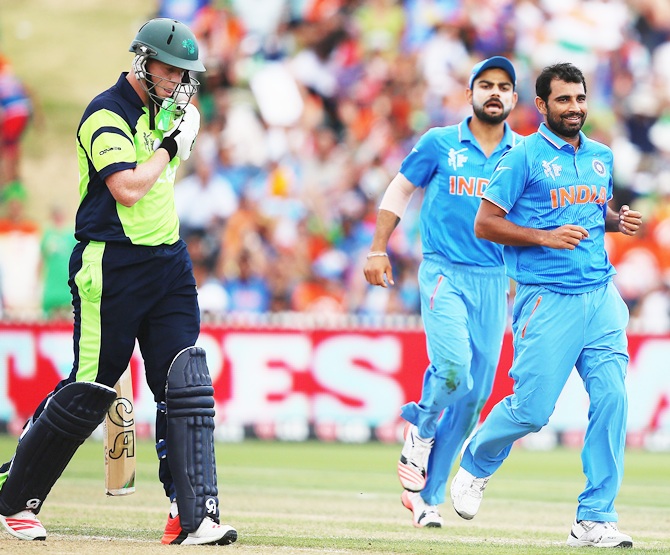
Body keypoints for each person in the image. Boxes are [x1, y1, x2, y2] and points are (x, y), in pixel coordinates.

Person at [0, 18, 237, 546]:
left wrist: (176, 134)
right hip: (111, 265)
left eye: (185, 73)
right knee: (90, 388)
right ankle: (15, 500)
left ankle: (193, 514)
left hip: (168, 264)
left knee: (185, 383)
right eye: (169, 70)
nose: (178, 81)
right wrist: (170, 147)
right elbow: (128, 189)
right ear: (142, 62)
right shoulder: (104, 114)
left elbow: (165, 159)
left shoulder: (177, 113)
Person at [450, 62, 642, 549]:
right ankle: (477, 461)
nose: (574, 108)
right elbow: (486, 224)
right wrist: (544, 237)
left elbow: (588, 210)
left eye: (579, 99)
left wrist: (615, 221)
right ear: (541, 105)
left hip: (600, 295)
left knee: (614, 400)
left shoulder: (600, 156)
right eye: (563, 100)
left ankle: (595, 517)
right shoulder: (522, 157)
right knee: (532, 412)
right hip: (546, 299)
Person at [363, 56, 521, 528]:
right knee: (453, 369)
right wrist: (377, 249)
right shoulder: (439, 142)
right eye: (486, 85)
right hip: (445, 272)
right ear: (470, 93)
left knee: (474, 398)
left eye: (504, 87)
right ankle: (422, 427)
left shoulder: (524, 154)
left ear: (514, 98)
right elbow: (399, 189)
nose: (495, 93)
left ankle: (425, 497)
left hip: (495, 282)